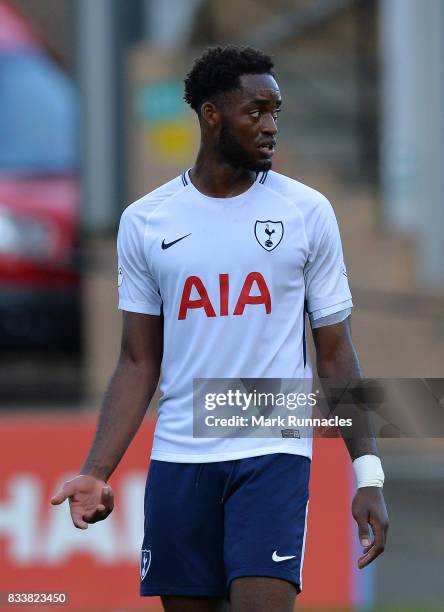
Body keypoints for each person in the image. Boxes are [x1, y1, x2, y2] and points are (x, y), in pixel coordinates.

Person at [51, 45, 389, 612]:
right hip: (181, 457)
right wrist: (96, 471)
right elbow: (138, 361)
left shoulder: (307, 213)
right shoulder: (146, 221)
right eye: (256, 112)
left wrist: (368, 473)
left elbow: (335, 355)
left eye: (276, 110)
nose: (271, 126)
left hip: (272, 452)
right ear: (212, 116)